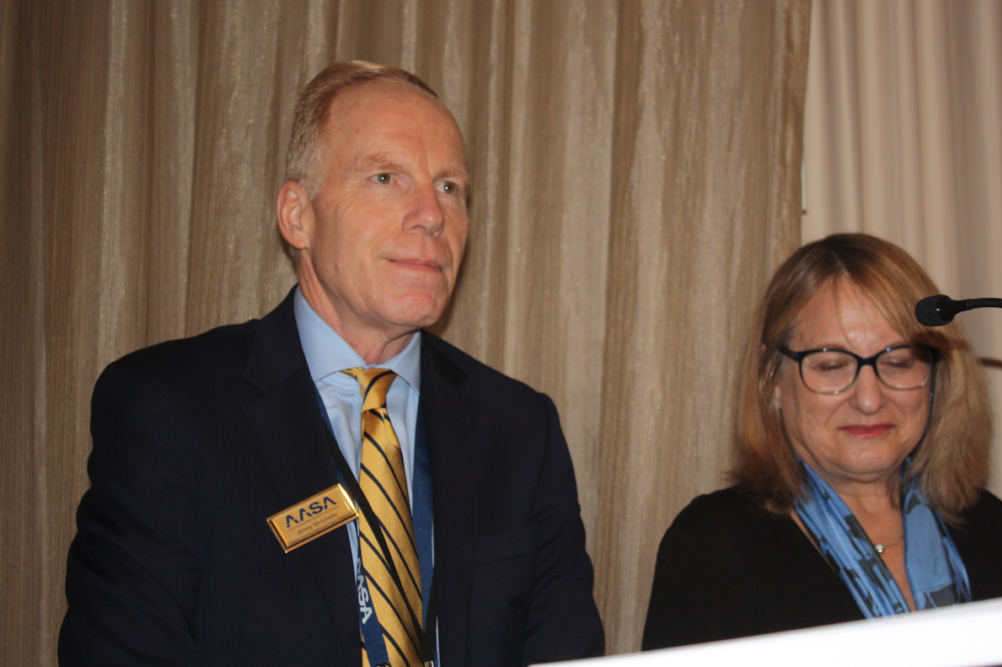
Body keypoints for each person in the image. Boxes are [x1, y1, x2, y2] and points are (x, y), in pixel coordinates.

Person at [59, 61, 603, 667]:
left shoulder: (520, 430)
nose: (432, 214)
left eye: (450, 187)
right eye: (385, 177)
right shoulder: (169, 409)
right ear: (298, 216)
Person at [642, 233, 1002, 650]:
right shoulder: (713, 546)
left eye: (897, 362)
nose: (869, 399)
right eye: (831, 365)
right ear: (772, 377)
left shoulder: (996, 530)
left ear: (935, 377)